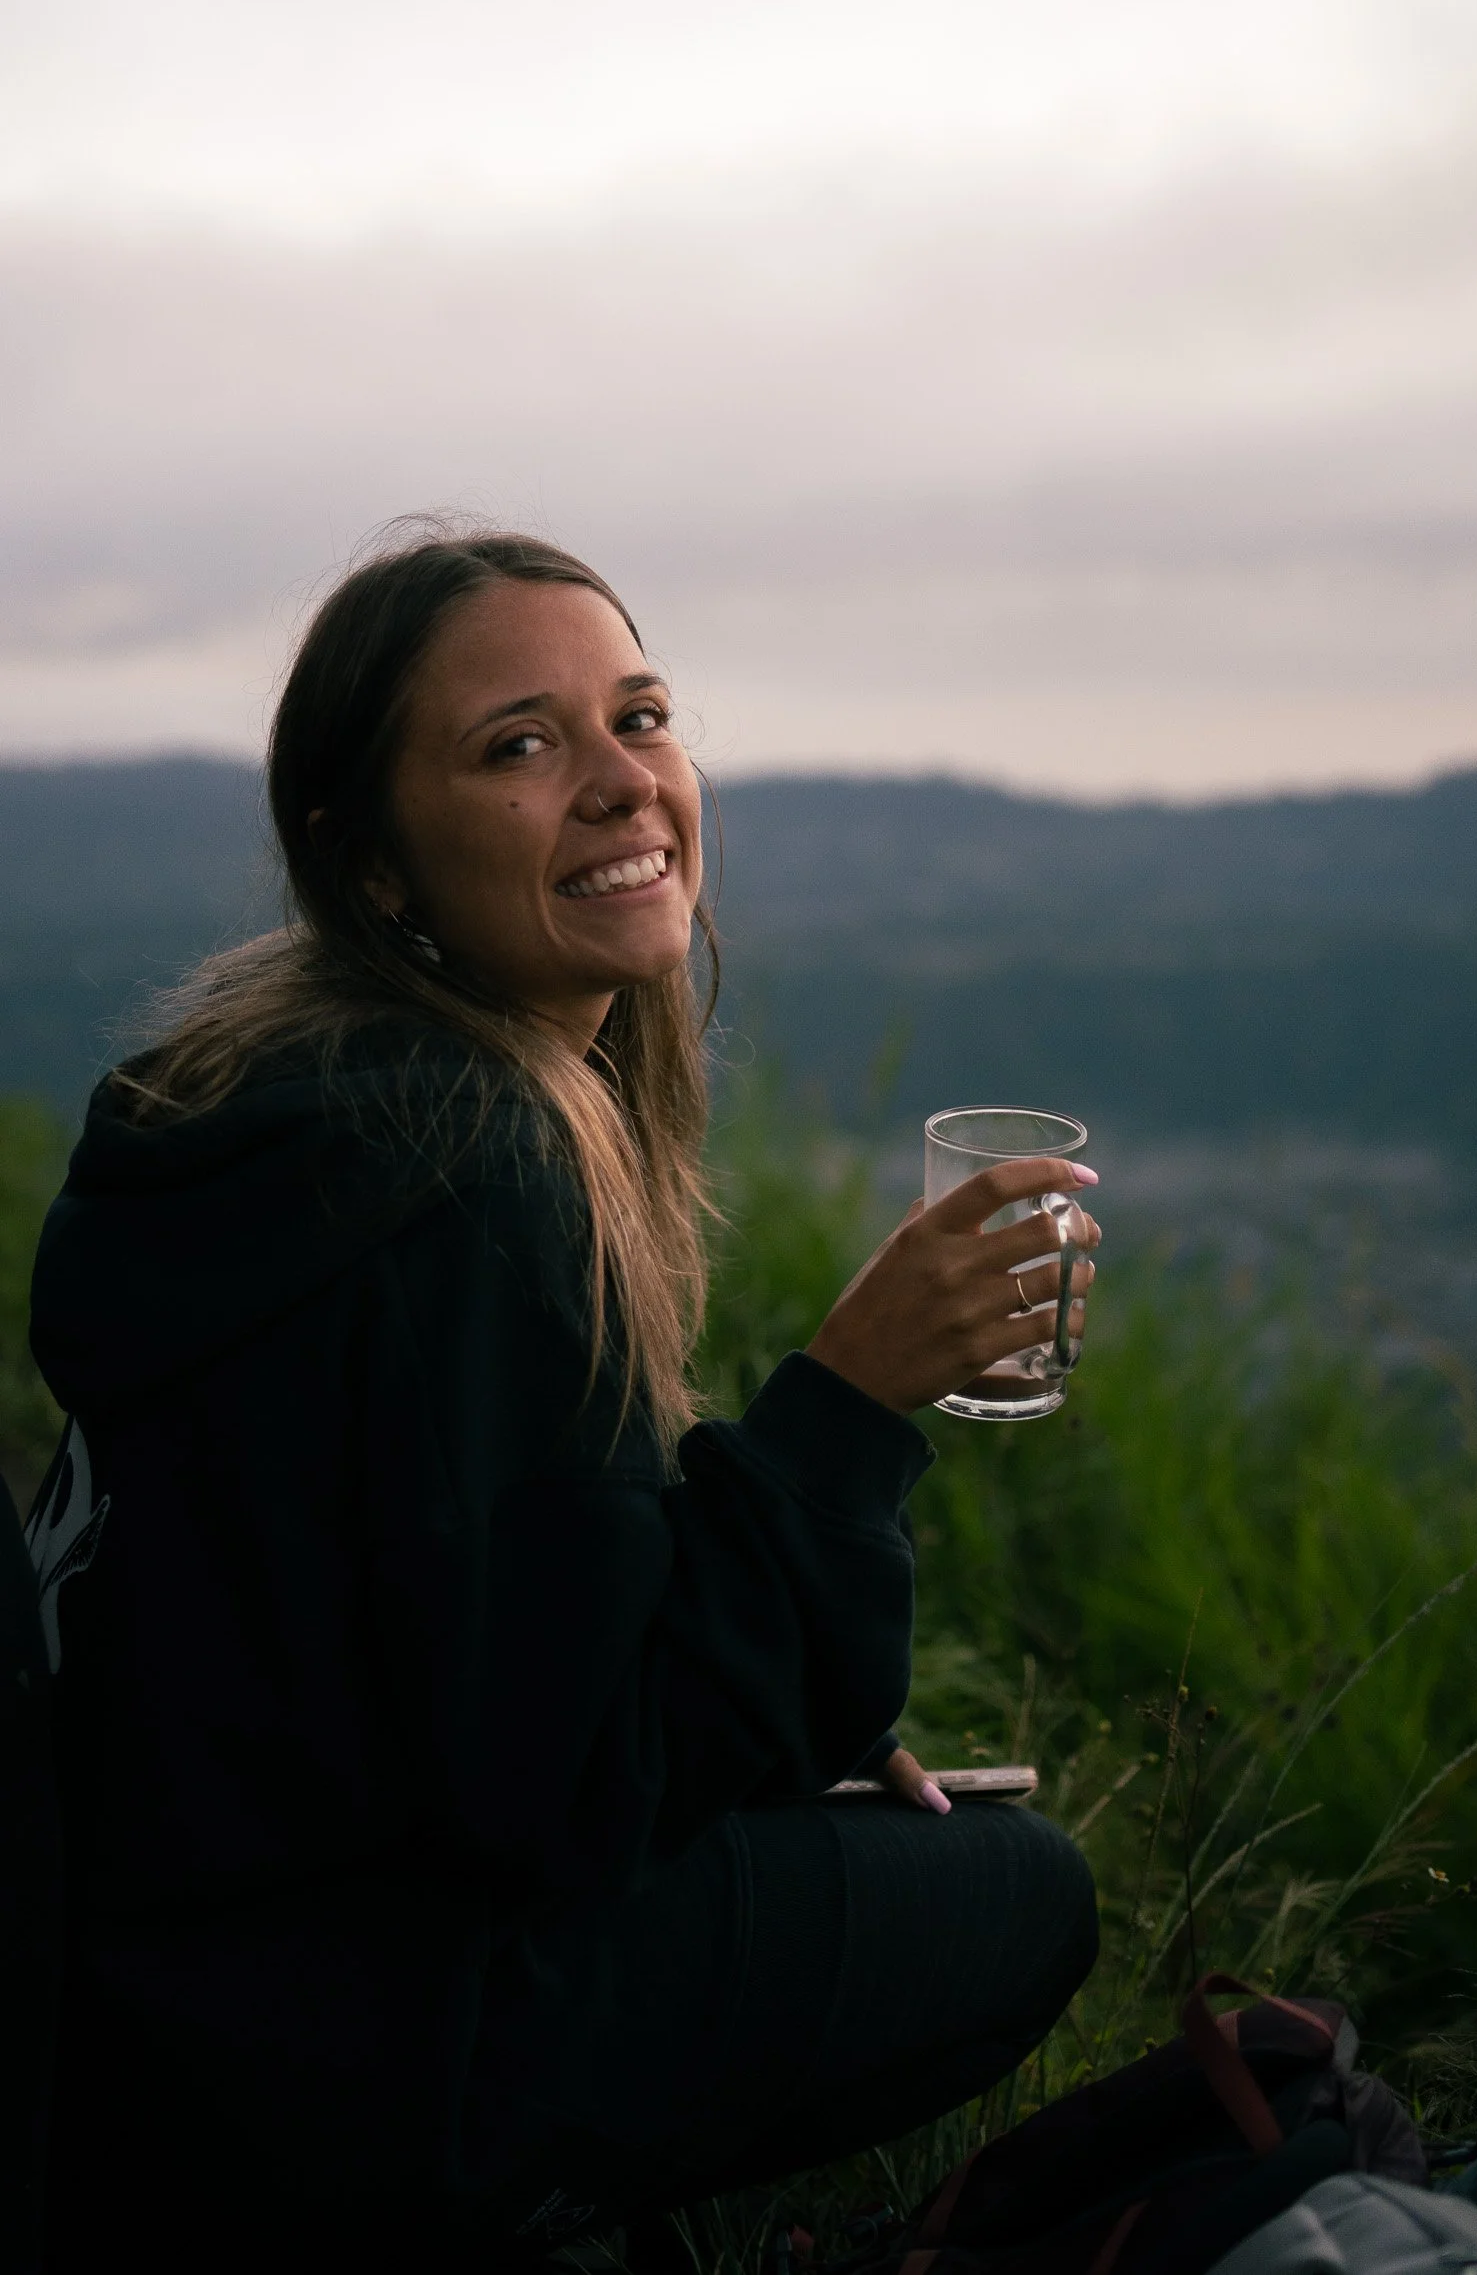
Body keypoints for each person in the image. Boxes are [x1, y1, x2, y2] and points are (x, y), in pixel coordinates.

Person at [28, 530, 1101, 2271]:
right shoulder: (464, 1165)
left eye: (640, 715)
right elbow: (566, 1789)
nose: (622, 784)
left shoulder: (265, 1104)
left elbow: (474, 1633)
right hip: (331, 2070)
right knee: (1023, 1895)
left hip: (173, 1983)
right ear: (370, 864)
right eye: (518, 744)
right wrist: (847, 1404)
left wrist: (761, 1693)